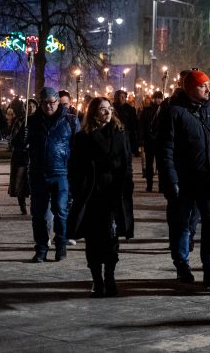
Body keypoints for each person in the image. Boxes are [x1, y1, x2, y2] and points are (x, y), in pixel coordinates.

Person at [158, 70, 210, 286]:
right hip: (184, 181)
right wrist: (171, 178)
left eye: (207, 85)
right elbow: (166, 149)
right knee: (181, 224)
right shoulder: (174, 112)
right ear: (190, 88)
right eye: (202, 86)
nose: (207, 89)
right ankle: (182, 264)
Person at [68, 97, 135, 297]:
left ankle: (110, 277)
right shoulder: (83, 137)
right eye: (102, 109)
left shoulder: (120, 134)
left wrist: (127, 184)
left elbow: (127, 161)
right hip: (93, 193)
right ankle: (97, 279)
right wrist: (79, 188)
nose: (107, 113)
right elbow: (75, 166)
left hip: (114, 192)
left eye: (109, 109)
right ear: (94, 112)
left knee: (112, 237)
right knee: (94, 238)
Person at [24, 87, 80, 263]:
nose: (49, 106)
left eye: (52, 102)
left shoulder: (70, 120)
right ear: (40, 103)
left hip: (61, 173)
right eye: (45, 103)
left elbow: (79, 148)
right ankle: (41, 248)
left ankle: (61, 245)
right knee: (39, 214)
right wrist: (21, 137)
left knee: (61, 211)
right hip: (38, 173)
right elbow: (19, 148)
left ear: (58, 102)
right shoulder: (31, 121)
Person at [8, 99, 37, 215]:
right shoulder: (20, 121)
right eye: (28, 106)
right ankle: (22, 204)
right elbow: (13, 139)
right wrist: (21, 138)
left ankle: (34, 206)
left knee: (33, 183)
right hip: (21, 157)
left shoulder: (38, 121)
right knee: (20, 181)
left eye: (32, 106)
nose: (30, 108)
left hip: (34, 157)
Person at [138, 90, 164, 192]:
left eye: (159, 98)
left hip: (160, 141)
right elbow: (142, 125)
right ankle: (149, 184)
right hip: (149, 141)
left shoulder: (164, 110)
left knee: (161, 165)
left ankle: (161, 185)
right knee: (149, 164)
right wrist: (141, 138)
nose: (158, 100)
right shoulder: (147, 110)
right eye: (156, 98)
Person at [113, 90, 139, 159]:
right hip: (114, 135)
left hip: (127, 135)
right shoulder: (111, 108)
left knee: (127, 156)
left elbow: (134, 125)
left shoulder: (130, 109)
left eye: (124, 97)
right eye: (120, 97)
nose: (122, 99)